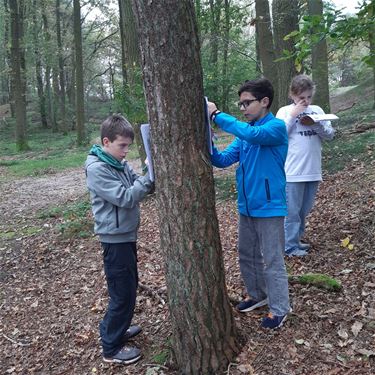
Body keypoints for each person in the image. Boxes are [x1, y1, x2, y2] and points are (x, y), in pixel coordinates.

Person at [208, 78, 290, 330]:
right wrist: (208, 140)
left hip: (270, 206)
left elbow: (252, 135)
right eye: (240, 104)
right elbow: (222, 160)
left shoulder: (275, 127)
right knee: (247, 255)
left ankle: (279, 308)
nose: (243, 108)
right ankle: (257, 295)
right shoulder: (246, 134)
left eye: (247, 103)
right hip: (247, 207)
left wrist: (217, 115)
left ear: (264, 102)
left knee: (273, 259)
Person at [85, 114, 153, 364]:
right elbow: (125, 197)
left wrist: (147, 176)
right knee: (122, 293)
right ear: (106, 141)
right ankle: (111, 347)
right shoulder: (98, 169)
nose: (126, 152)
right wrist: (147, 181)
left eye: (128, 146)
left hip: (125, 236)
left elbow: (137, 183)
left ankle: (118, 329)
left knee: (129, 287)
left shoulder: (118, 162)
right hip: (114, 239)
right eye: (121, 145)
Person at [276, 75, 335, 257]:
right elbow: (278, 136)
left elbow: (330, 135)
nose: (306, 101)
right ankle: (289, 246)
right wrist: (293, 117)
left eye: (309, 97)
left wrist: (316, 124)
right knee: (291, 211)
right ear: (292, 95)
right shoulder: (284, 111)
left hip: (313, 169)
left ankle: (296, 240)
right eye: (302, 97)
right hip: (293, 171)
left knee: (304, 210)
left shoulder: (316, 109)